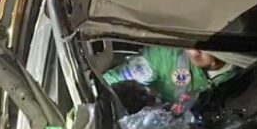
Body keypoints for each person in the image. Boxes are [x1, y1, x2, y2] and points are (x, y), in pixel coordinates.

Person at [102, 47, 240, 110]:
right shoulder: (163, 56)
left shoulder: (243, 74)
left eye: (201, 50)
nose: (191, 50)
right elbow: (109, 81)